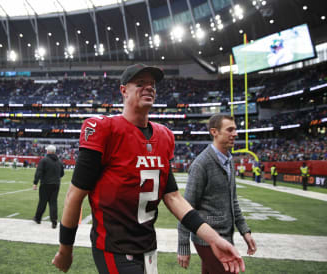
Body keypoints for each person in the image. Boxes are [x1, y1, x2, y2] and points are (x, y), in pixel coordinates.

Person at [52, 64, 245, 274]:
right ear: (123, 90)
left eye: (152, 84)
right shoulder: (104, 129)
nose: (149, 88)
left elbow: (173, 197)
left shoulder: (164, 136)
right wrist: (65, 250)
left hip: (148, 248)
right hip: (114, 248)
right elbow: (74, 195)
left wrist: (214, 239)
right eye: (140, 83)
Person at [177, 114, 256, 274]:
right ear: (214, 132)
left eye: (235, 129)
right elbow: (186, 207)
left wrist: (245, 231)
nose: (235, 133)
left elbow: (232, 201)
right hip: (207, 239)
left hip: (225, 236)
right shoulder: (201, 164)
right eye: (230, 130)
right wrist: (183, 247)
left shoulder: (228, 160)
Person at [33, 145, 65, 229]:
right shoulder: (59, 161)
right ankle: (54, 222)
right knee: (53, 203)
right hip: (56, 184)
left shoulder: (44, 160)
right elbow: (62, 174)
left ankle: (38, 218)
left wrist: (35, 183)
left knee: (42, 202)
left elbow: (39, 172)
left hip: (45, 184)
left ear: (49, 151)